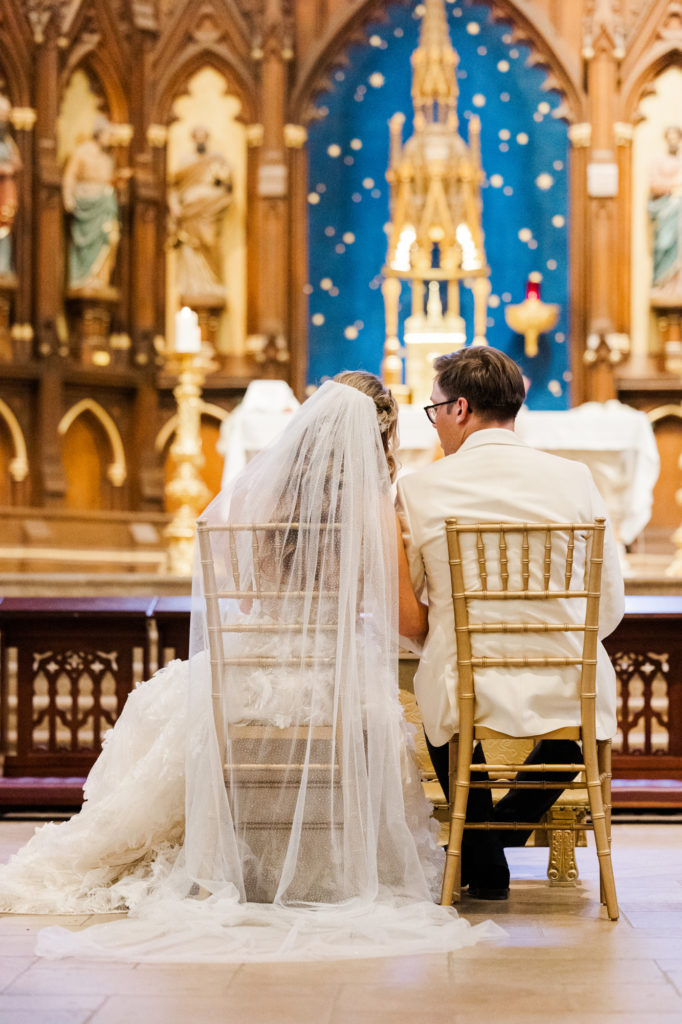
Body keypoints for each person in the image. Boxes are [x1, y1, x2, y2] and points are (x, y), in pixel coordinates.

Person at [0, 372, 500, 961]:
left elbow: (239, 590)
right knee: (393, 720)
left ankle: (239, 863)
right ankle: (326, 870)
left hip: (246, 676)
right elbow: (406, 623)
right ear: (378, 440)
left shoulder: (250, 495)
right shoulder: (372, 508)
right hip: (328, 685)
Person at [396, 346, 624, 900]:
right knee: (580, 719)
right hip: (571, 679)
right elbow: (611, 602)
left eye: (434, 410)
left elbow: (416, 617)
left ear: (461, 408)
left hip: (464, 682)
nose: (435, 423)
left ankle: (482, 852)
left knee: (441, 700)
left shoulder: (420, 489)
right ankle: (492, 847)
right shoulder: (576, 480)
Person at [167, 126, 233, 302]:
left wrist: (222, 178)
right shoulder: (186, 161)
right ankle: (194, 285)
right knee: (190, 246)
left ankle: (211, 283)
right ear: (193, 139)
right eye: (198, 137)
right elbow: (173, 186)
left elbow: (228, 184)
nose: (201, 140)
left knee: (209, 241)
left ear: (207, 138)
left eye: (204, 136)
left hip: (209, 211)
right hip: (189, 212)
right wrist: (174, 204)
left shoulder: (216, 159)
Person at [62, 116, 120, 291]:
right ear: (99, 133)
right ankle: (83, 276)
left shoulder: (107, 158)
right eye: (109, 135)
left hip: (106, 204)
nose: (111, 140)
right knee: (87, 243)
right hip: (87, 204)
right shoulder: (82, 152)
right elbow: (70, 176)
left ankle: (98, 278)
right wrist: (68, 198)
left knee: (110, 237)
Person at [648, 125, 682, 299]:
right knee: (664, 245)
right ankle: (662, 282)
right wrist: (673, 187)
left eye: (676, 138)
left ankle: (677, 286)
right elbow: (654, 184)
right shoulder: (659, 161)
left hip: (679, 209)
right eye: (670, 138)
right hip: (666, 209)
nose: (673, 141)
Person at [0, 94, 21, 276]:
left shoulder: (7, 141)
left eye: (6, 116)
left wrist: (11, 167)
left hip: (4, 192)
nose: (3, 120)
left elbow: (18, 162)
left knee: (4, 227)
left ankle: (2, 266)